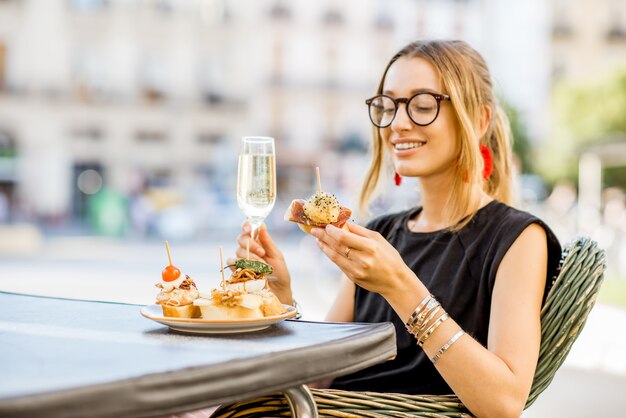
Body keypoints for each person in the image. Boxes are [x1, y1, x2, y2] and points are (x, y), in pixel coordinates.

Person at [234, 40, 561, 418]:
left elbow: (504, 403)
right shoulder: (381, 233)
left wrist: (399, 286)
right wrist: (280, 300)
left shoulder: (518, 238)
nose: (397, 124)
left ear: (479, 120)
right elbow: (316, 379)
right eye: (387, 107)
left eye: (423, 106)